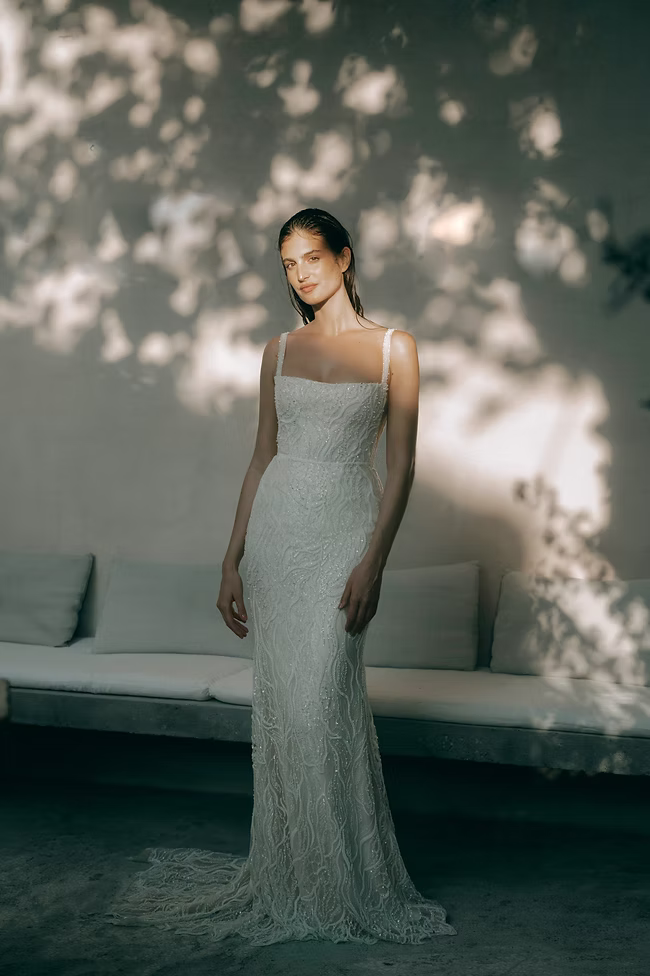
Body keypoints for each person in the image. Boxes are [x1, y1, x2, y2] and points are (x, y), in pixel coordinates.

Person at [106, 208, 457, 945]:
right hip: (277, 537)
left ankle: (347, 881)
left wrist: (376, 560)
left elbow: (403, 467)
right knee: (287, 715)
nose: (300, 273)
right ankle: (295, 874)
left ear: (346, 257)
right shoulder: (278, 350)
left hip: (343, 533)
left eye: (312, 258)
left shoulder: (397, 348)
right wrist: (232, 556)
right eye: (288, 263)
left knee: (320, 707)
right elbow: (262, 455)